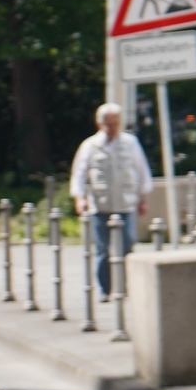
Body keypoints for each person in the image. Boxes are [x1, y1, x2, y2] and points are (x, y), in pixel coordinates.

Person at [69, 102, 152, 298]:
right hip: (100, 204)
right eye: (108, 124)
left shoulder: (130, 143)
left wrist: (143, 198)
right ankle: (104, 289)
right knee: (103, 250)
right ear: (99, 124)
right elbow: (79, 174)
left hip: (126, 203)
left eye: (115, 123)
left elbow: (142, 171)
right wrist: (80, 199)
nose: (112, 128)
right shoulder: (90, 146)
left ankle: (126, 287)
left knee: (127, 246)